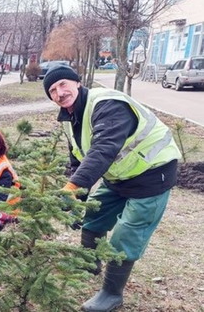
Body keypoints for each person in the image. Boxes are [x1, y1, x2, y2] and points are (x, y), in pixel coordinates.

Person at [43, 65, 181, 312]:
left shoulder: (106, 104)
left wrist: (70, 188)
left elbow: (103, 149)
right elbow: (78, 159)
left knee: (126, 234)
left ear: (77, 82)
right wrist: (78, 200)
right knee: (94, 214)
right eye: (52, 90)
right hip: (118, 177)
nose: (59, 92)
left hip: (152, 174)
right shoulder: (70, 118)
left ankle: (111, 293)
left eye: (63, 84)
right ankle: (89, 262)